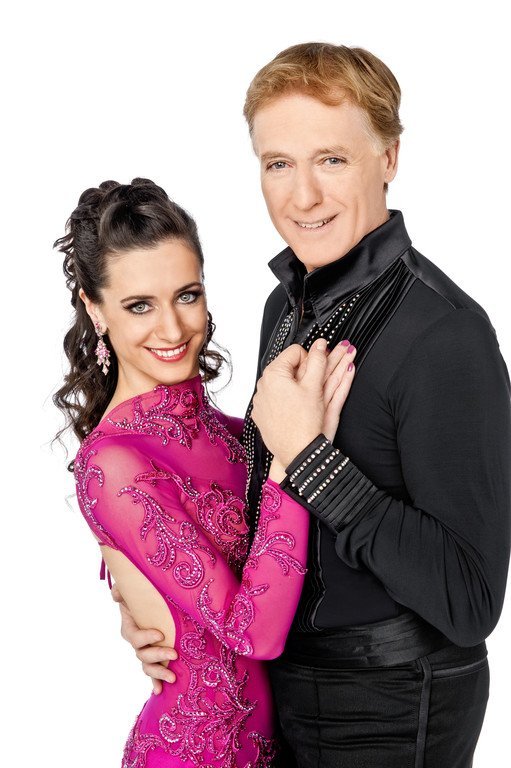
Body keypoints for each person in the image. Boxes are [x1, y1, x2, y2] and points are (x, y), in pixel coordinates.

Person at [120, 44, 511, 767]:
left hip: (392, 706)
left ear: (388, 158)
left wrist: (310, 459)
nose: (301, 197)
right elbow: (256, 506)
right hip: (284, 684)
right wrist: (151, 597)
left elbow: (469, 601)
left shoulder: (445, 335)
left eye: (330, 160)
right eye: (278, 163)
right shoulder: (286, 306)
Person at [54, 177, 356, 767]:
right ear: (95, 308)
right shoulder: (112, 463)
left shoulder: (236, 433)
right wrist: (295, 457)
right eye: (139, 305)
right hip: (193, 752)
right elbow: (253, 632)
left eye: (186, 295)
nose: (172, 330)